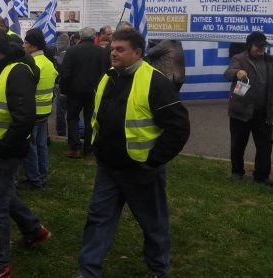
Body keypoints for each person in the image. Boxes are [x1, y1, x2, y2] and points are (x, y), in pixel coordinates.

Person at [78, 28, 190, 278]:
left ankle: (158, 270)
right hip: (108, 168)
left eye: (120, 49)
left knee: (153, 224)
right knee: (98, 220)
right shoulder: (108, 77)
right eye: (112, 48)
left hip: (141, 172)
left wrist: (153, 161)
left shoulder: (156, 82)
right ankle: (88, 272)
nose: (113, 53)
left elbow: (179, 127)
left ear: (138, 53)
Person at [0, 28, 50, 278]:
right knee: (5, 193)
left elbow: (25, 117)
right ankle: (34, 229)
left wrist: (1, 151)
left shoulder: (16, 72)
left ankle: (0, 265)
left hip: (3, 151)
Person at [224, 31, 273, 185]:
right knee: (238, 144)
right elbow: (228, 73)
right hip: (241, 111)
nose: (262, 49)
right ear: (250, 45)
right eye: (258, 46)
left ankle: (262, 176)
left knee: (265, 146)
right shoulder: (239, 59)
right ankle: (237, 172)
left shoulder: (272, 62)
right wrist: (237, 73)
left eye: (264, 46)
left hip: (263, 113)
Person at [59, 27, 109, 158]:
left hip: (74, 92)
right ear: (94, 37)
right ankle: (90, 149)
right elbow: (106, 72)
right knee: (90, 120)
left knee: (73, 118)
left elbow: (65, 73)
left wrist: (63, 90)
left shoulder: (72, 51)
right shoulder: (102, 52)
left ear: (80, 37)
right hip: (94, 92)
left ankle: (75, 148)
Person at [21, 29, 57, 190]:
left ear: (33, 47)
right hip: (45, 110)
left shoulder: (32, 64)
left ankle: (34, 180)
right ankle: (42, 175)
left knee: (31, 146)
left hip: (33, 111)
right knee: (41, 144)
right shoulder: (48, 62)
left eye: (26, 43)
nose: (23, 45)